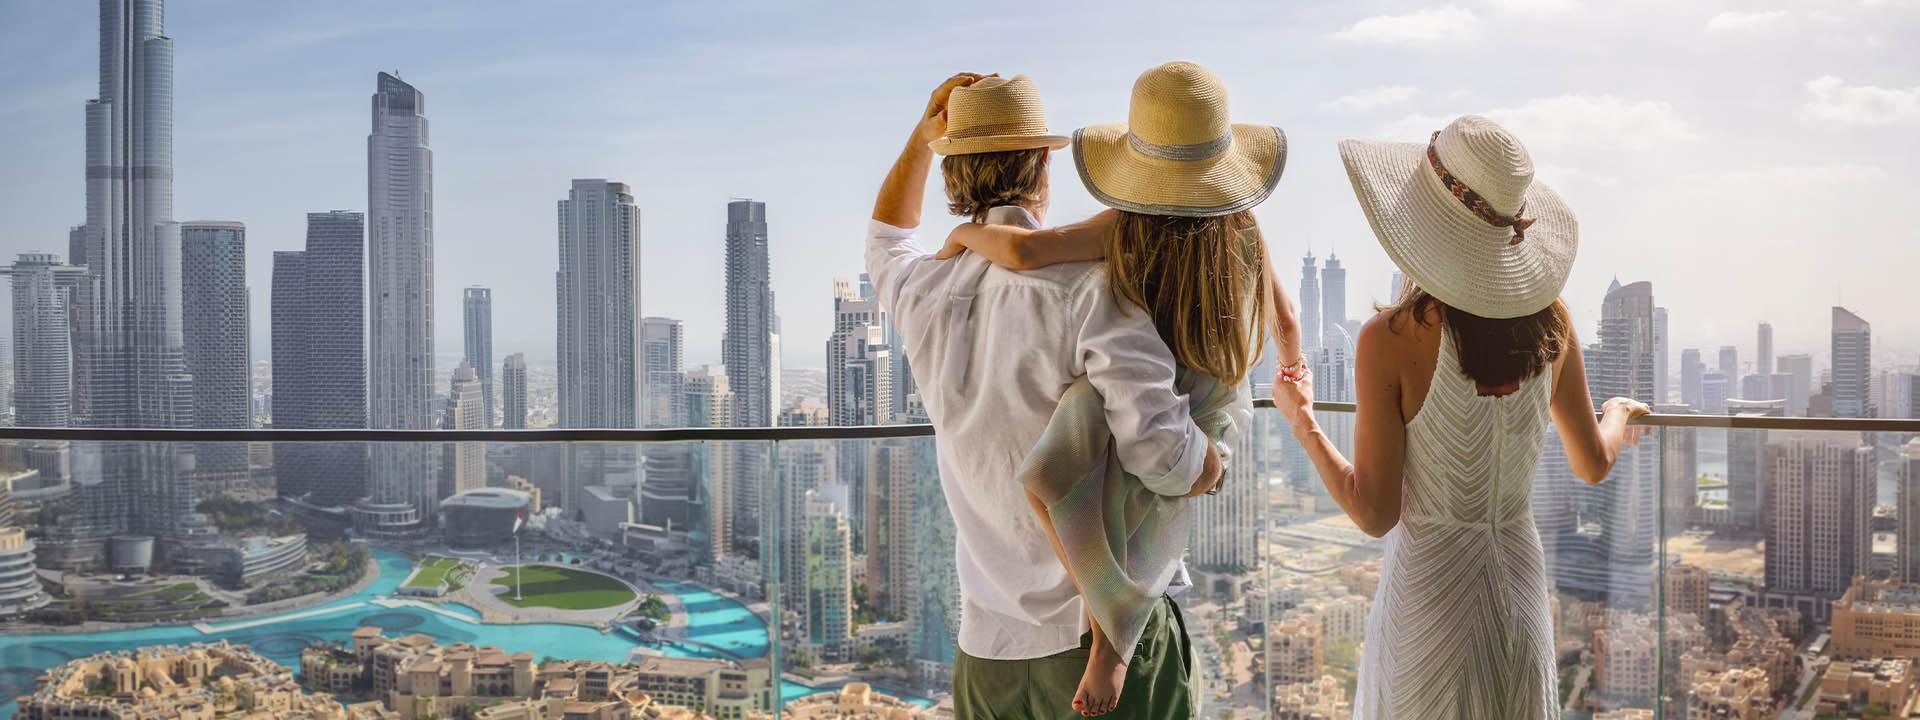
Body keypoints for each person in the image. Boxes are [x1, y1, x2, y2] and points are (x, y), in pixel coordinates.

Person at [929, 62, 1303, 717]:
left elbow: (1022, 254)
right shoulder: (1241, 225)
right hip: (1210, 402)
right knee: (1148, 513)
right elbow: (1286, 318)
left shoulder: (1123, 226)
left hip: (1144, 399)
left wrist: (962, 233)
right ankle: (1116, 633)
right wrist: (1293, 376)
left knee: (1051, 481)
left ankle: (1111, 639)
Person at [1266, 115, 1652, 720]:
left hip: (1427, 610)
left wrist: (1303, 421)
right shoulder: (1554, 325)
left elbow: (1374, 511)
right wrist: (1618, 409)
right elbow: (1594, 462)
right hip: (1519, 604)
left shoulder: (1390, 340)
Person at [866, 72, 1223, 719]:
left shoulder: (921, 293)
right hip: (1103, 639)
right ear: (1043, 164)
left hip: (989, 653)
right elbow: (1164, 458)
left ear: (953, 176)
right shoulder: (1088, 288)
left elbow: (887, 236)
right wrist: (1209, 460)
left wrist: (925, 138)